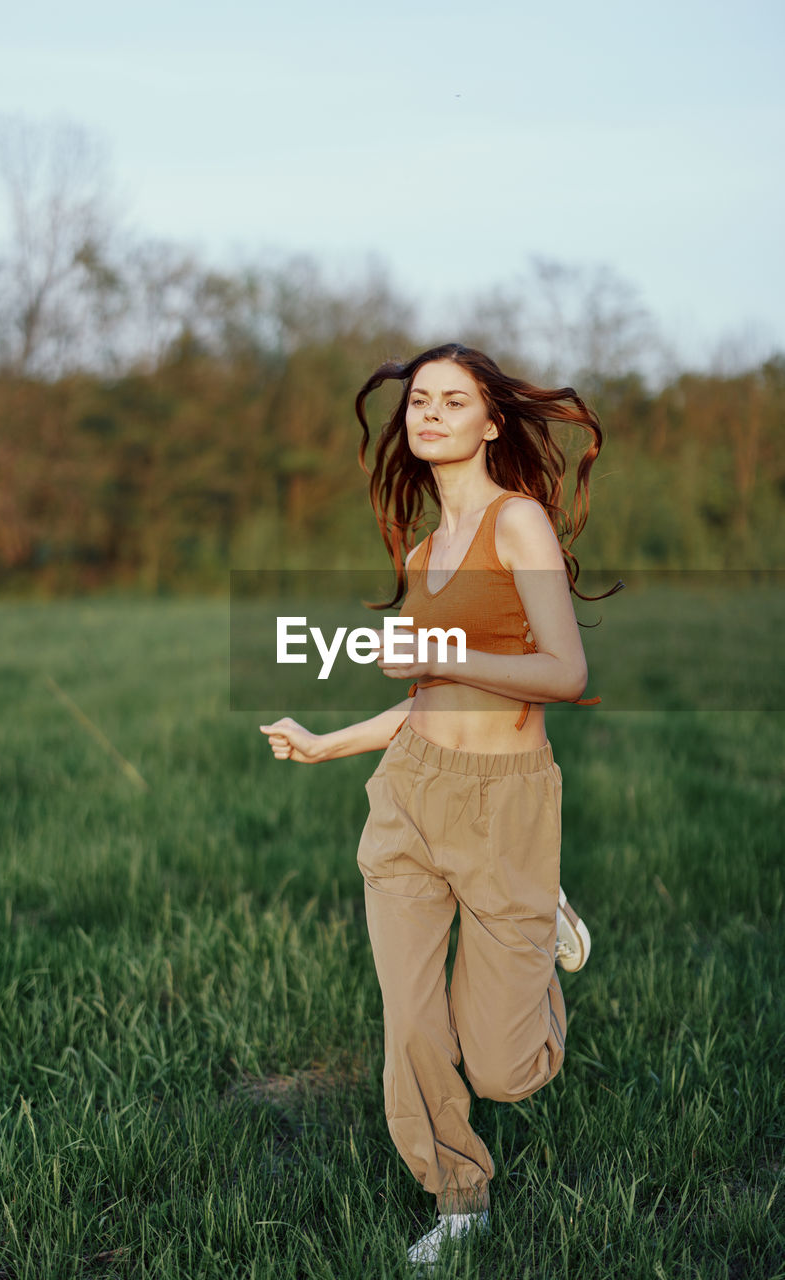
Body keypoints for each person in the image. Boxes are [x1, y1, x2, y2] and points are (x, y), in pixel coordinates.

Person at [260, 343, 623, 1269]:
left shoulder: (517, 525)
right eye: (419, 400)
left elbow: (566, 671)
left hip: (506, 807)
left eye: (452, 401)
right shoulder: (424, 552)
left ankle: (542, 924)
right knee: (411, 1020)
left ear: (491, 422)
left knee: (505, 1067)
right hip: (412, 799)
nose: (428, 413)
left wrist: (447, 647)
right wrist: (328, 742)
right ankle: (459, 1195)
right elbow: (428, 701)